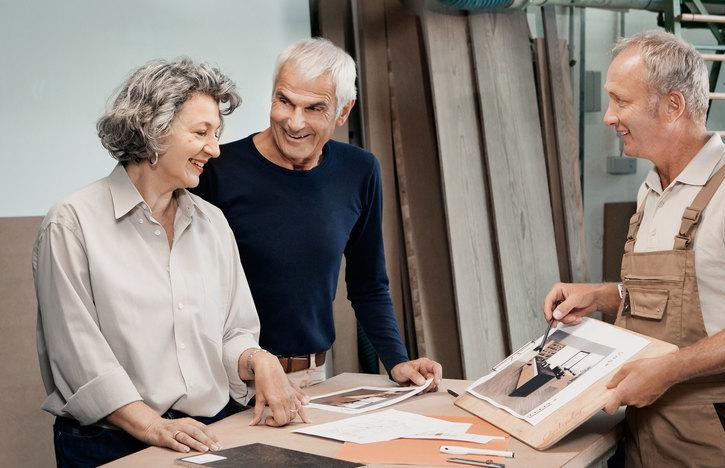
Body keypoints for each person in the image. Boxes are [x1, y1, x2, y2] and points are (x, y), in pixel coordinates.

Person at [542, 31, 725, 467]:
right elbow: (696, 292)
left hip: (721, 431)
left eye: (620, 101)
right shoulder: (653, 190)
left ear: (673, 105)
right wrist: (600, 296)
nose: (609, 117)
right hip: (648, 428)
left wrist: (667, 371)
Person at [34, 58, 307, 468]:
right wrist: (152, 426)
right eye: (201, 133)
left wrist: (258, 359)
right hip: (110, 445)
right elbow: (78, 357)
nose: (214, 149)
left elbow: (232, 332)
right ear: (152, 128)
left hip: (206, 434)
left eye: (216, 134)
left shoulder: (212, 222)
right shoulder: (72, 223)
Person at [191, 38, 442, 392]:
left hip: (309, 378)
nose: (294, 122)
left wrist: (397, 361)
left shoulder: (360, 171)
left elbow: (369, 285)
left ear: (343, 111)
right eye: (284, 101)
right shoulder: (216, 169)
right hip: (227, 379)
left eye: (314, 108)